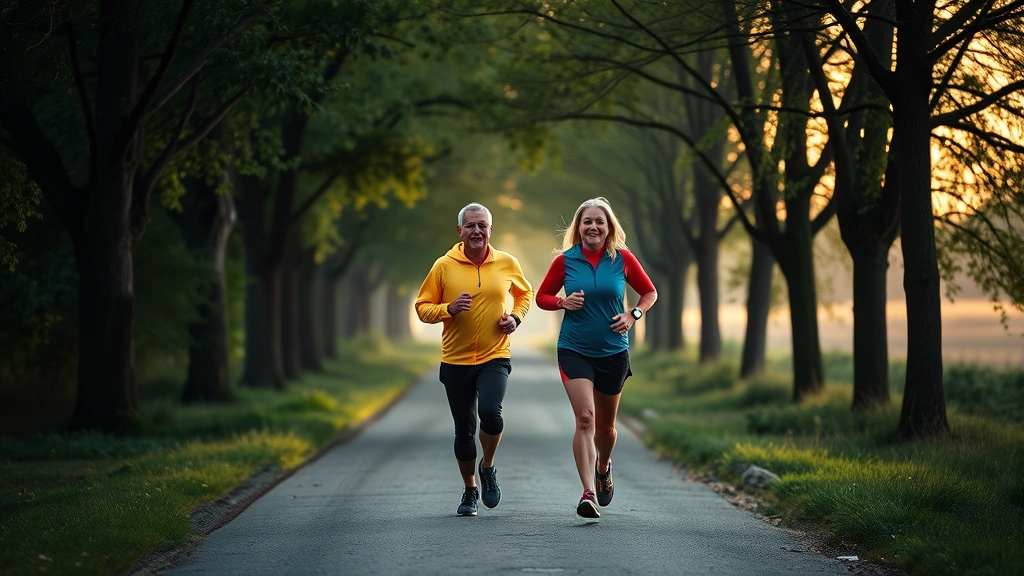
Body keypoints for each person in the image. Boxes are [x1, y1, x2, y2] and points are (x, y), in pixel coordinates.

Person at [535, 197, 657, 519]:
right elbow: (542, 297)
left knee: (605, 429)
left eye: (599, 221)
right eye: (586, 221)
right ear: (578, 227)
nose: (592, 226)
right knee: (585, 419)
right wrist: (562, 303)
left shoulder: (623, 259)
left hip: (613, 352)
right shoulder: (566, 261)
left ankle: (603, 466)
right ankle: (588, 491)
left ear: (608, 227)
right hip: (574, 349)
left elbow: (649, 293)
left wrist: (633, 315)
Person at [415, 202, 533, 517]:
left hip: (495, 355)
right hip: (455, 360)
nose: (477, 231)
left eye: (482, 225)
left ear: (490, 229)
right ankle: (469, 490)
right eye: (470, 225)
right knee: (464, 430)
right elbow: (422, 306)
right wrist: (447, 309)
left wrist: (516, 319)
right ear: (460, 231)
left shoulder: (507, 263)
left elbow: (525, 294)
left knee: (491, 413)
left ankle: (488, 466)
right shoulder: (443, 266)